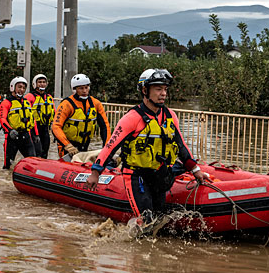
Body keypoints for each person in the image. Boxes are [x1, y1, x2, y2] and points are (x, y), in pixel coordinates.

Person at [86, 69, 207, 225]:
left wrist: (196, 170)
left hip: (160, 175)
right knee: (147, 219)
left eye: (165, 89)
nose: (163, 93)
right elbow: (110, 147)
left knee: (159, 218)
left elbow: (181, 146)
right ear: (144, 90)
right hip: (137, 176)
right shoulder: (132, 118)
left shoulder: (170, 116)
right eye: (158, 89)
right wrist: (96, 172)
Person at [52, 73, 111, 158]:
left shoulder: (96, 103)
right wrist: (67, 145)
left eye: (86, 87)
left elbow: (105, 126)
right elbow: (56, 127)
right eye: (81, 88)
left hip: (85, 144)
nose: (84, 91)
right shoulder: (66, 104)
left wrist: (107, 147)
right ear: (75, 89)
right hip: (67, 146)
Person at [0, 76, 39, 169]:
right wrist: (10, 130)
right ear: (13, 87)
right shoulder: (6, 103)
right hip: (12, 138)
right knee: (8, 166)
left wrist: (36, 134)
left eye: (24, 88)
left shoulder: (27, 102)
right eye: (19, 87)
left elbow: (32, 119)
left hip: (26, 136)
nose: (22, 90)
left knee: (32, 162)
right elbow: (2, 119)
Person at [26, 73, 55, 158]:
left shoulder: (49, 97)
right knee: (36, 152)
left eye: (44, 82)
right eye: (39, 82)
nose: (42, 84)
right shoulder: (30, 96)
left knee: (45, 152)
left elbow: (54, 112)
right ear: (35, 84)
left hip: (45, 128)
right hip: (34, 129)